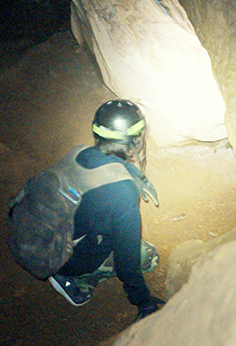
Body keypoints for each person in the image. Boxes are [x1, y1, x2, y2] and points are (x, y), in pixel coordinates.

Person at [49, 99, 165, 322]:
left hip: (49, 229)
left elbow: (104, 161)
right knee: (147, 257)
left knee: (110, 228)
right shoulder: (122, 194)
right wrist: (143, 301)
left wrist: (132, 171)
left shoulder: (79, 152)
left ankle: (72, 264)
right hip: (64, 255)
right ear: (136, 139)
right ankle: (73, 277)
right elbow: (127, 264)